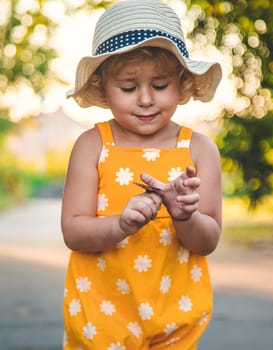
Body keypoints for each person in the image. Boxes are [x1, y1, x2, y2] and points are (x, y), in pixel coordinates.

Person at [61, 0, 222, 349]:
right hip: (102, 319)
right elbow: (73, 230)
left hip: (174, 320)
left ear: (181, 82)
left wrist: (185, 216)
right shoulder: (92, 145)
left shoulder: (199, 150)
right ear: (103, 88)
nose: (146, 99)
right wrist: (120, 225)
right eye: (129, 88)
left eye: (160, 85)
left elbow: (207, 240)